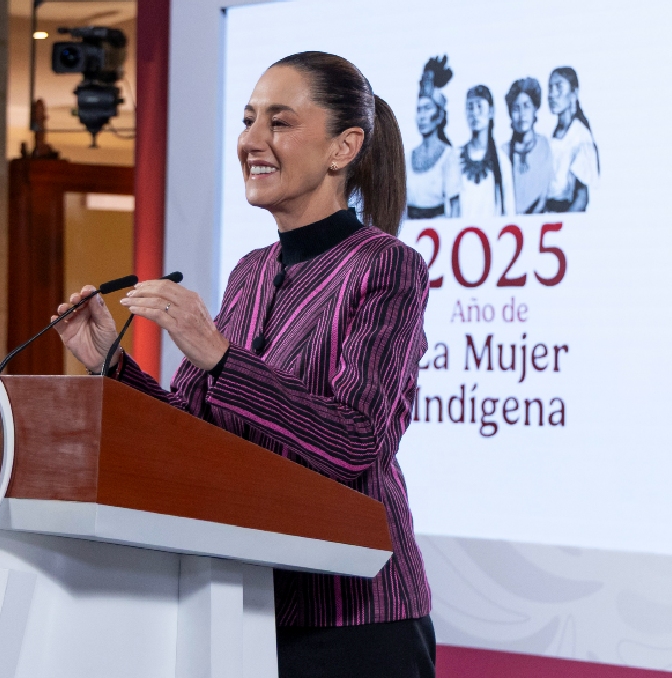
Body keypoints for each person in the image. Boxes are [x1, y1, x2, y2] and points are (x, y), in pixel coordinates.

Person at [54, 51, 435, 678]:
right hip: (246, 609)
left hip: (355, 622)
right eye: (247, 119)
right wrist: (112, 366)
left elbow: (357, 441)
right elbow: (199, 434)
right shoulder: (251, 273)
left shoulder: (385, 266)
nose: (251, 141)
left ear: (345, 147)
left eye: (279, 123)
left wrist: (220, 356)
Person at [405, 56, 460, 219]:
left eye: (427, 108)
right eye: (418, 110)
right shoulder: (408, 157)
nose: (421, 116)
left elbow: (455, 209)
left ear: (439, 115)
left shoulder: (449, 156)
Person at [545, 66, 599, 212]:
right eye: (550, 88)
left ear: (573, 93)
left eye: (558, 87)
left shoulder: (580, 136)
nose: (552, 94)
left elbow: (581, 197)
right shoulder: (552, 135)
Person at [459, 85, 512, 217]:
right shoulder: (456, 158)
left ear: (491, 112)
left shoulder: (502, 160)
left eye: (479, 107)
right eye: (470, 107)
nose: (474, 113)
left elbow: (509, 210)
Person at [503, 77, 553, 214]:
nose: (521, 115)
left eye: (526, 106)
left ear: (535, 109)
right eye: (516, 108)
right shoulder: (503, 153)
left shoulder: (547, 146)